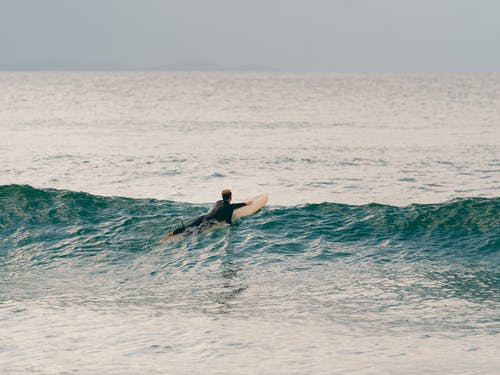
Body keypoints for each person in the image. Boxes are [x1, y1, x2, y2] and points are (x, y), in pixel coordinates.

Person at [163, 189, 249, 240]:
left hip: (204, 217)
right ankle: (181, 238)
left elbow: (232, 206)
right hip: (210, 221)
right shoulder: (229, 207)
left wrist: (243, 204)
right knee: (197, 231)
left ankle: (172, 234)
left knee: (189, 226)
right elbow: (229, 220)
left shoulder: (218, 202)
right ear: (230, 198)